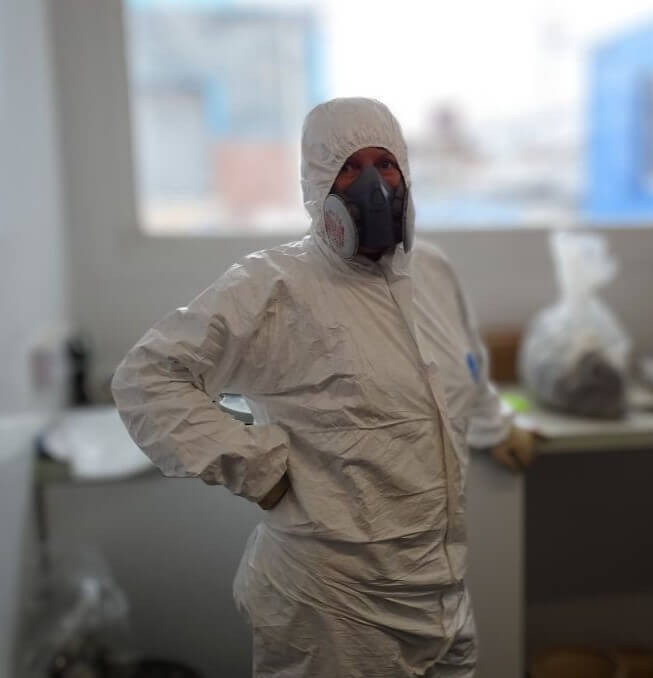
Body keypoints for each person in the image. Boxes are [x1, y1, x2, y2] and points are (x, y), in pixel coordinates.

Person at [111, 97, 536, 677]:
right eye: (348, 167)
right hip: (332, 614)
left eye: (385, 164)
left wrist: (495, 425)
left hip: (439, 596)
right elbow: (147, 378)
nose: (373, 186)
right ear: (316, 184)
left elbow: (460, 370)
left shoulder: (432, 272)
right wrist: (253, 465)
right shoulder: (275, 287)